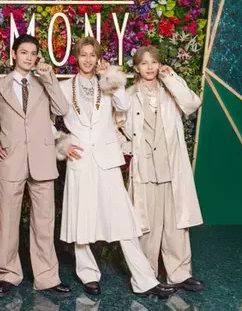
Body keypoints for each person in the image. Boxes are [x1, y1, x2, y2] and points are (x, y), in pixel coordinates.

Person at [56, 37, 176, 299]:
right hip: (80, 158)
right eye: (83, 54)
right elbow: (44, 118)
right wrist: (61, 144)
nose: (88, 59)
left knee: (124, 220)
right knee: (81, 219)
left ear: (98, 58)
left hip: (107, 157)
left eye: (93, 55)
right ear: (76, 57)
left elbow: (124, 106)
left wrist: (109, 77)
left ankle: (144, 280)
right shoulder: (64, 87)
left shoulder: (108, 83)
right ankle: (88, 275)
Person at [0, 34, 72, 298]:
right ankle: (8, 273)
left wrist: (49, 77)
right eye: (24, 52)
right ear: (13, 54)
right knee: (8, 220)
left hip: (42, 159)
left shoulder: (44, 82)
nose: (29, 57)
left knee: (44, 220)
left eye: (33, 53)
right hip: (12, 159)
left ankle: (47, 277)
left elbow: (62, 108)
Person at [122, 46, 204, 292]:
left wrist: (171, 77)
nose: (149, 67)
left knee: (176, 224)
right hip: (145, 169)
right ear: (136, 68)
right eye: (144, 63)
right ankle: (148, 276)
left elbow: (193, 103)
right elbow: (116, 126)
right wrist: (129, 148)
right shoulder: (128, 96)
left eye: (154, 62)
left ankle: (179, 274)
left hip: (170, 167)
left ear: (159, 65)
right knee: (146, 224)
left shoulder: (171, 91)